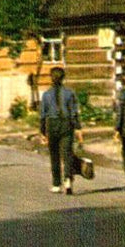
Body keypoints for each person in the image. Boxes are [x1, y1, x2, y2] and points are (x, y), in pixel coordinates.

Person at [38, 66, 81, 195]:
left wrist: (42, 132)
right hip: (66, 124)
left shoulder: (46, 95)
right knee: (67, 153)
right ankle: (68, 179)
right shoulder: (70, 93)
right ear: (63, 78)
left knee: (54, 155)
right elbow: (74, 112)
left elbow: (42, 115)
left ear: (51, 78)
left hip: (52, 124)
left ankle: (56, 184)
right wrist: (78, 127)